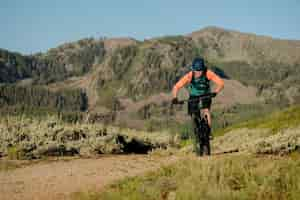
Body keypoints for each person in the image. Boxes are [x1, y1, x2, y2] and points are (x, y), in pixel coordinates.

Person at [172, 57, 224, 138]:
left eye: (199, 71)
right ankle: (196, 129)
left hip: (206, 94)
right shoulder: (190, 75)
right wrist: (175, 97)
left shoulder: (208, 73)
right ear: (193, 69)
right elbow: (176, 86)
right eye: (196, 71)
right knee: (193, 114)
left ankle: (209, 132)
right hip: (193, 95)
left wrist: (215, 92)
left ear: (203, 69)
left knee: (206, 110)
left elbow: (221, 83)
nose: (197, 73)